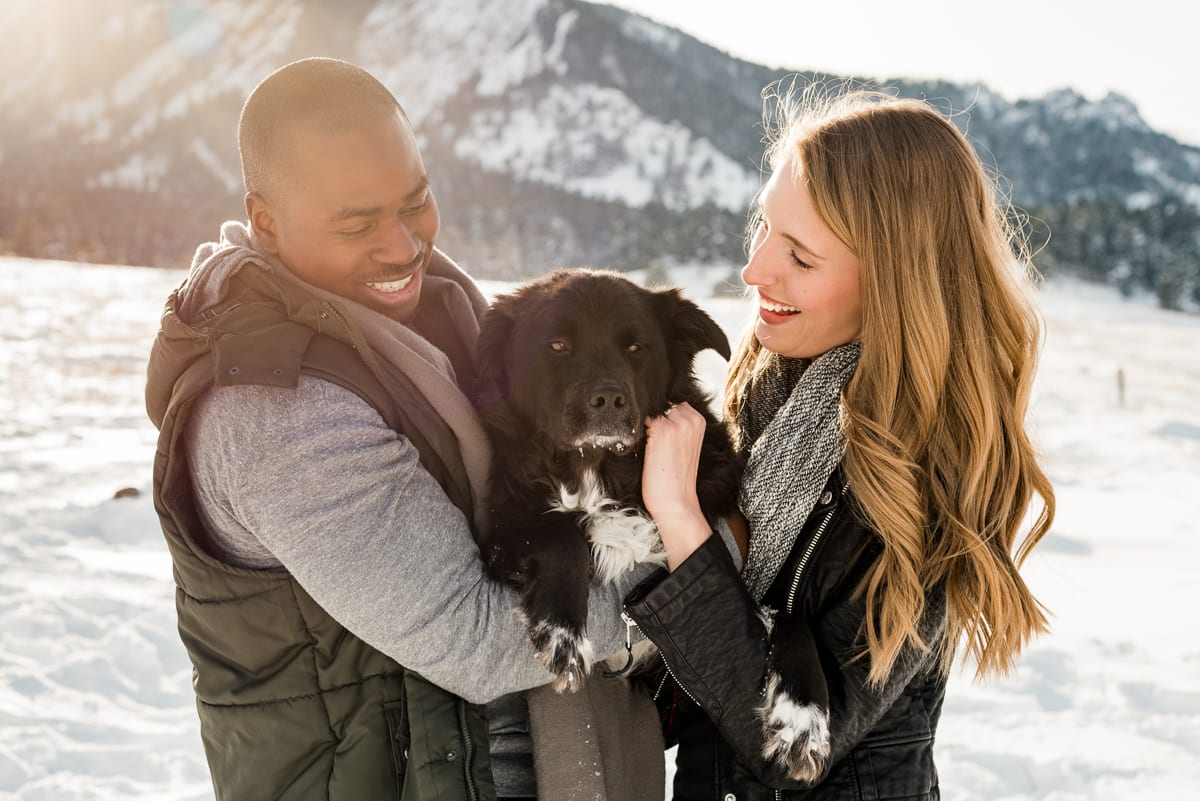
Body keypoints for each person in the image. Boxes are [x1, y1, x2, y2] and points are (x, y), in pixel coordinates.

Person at [144, 57, 666, 801]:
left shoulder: (447, 316)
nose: (401, 246)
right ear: (266, 220)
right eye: (357, 224)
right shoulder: (275, 411)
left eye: (415, 202)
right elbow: (476, 638)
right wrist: (680, 590)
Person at [631, 88, 1056, 800]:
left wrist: (681, 521)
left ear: (894, 281)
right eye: (764, 228)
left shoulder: (929, 476)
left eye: (800, 256)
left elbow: (788, 746)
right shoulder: (770, 391)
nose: (755, 270)